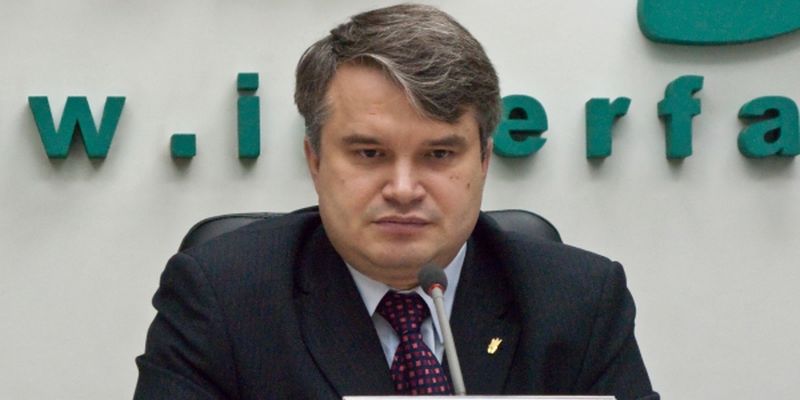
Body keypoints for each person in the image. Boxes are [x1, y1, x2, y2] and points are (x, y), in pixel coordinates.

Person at [134, 4, 659, 399]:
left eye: (438, 154)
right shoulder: (223, 300)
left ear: (483, 161)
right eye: (370, 153)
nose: (404, 189)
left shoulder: (580, 302)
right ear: (315, 160)